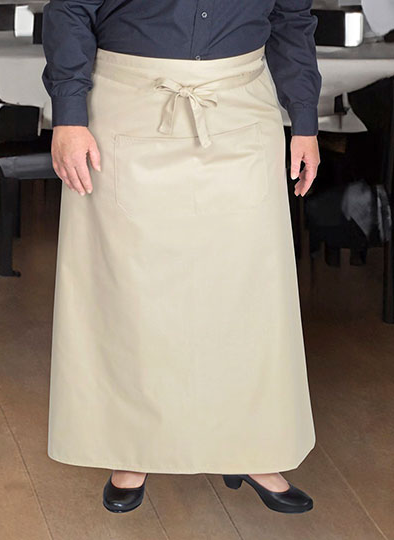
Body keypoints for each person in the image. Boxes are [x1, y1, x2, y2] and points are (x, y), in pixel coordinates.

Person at [41, 0, 322, 515]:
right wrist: (70, 116)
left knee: (246, 293)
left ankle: (251, 446)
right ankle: (132, 447)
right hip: (129, 102)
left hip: (241, 104)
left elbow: (290, 18)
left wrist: (304, 118)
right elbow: (70, 9)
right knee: (134, 293)